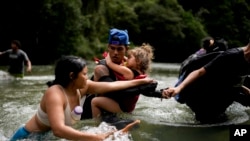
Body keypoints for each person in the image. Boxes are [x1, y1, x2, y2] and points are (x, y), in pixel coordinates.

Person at [10, 55, 154, 141]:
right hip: (28, 138)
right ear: (72, 76)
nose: (87, 77)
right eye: (84, 74)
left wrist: (141, 81)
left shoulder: (84, 87)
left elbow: (114, 86)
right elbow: (58, 130)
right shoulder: (55, 94)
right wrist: (95, 138)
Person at [162, 38, 250, 124]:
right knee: (209, 121)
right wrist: (178, 88)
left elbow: (231, 79)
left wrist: (244, 90)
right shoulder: (231, 56)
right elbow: (200, 72)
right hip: (204, 91)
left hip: (226, 90)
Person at [81, 28, 161, 120]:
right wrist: (141, 86)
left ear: (126, 49)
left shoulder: (128, 66)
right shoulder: (101, 68)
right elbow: (114, 91)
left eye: (119, 49)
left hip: (115, 111)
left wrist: (159, 93)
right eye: (112, 48)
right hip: (92, 113)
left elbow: (138, 88)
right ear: (108, 47)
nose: (115, 53)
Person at [91, 43, 155, 118]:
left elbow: (110, 64)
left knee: (95, 101)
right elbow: (125, 64)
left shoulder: (128, 72)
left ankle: (97, 124)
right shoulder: (139, 73)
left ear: (138, 61)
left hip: (121, 107)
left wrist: (108, 56)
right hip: (128, 108)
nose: (126, 59)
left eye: (129, 57)